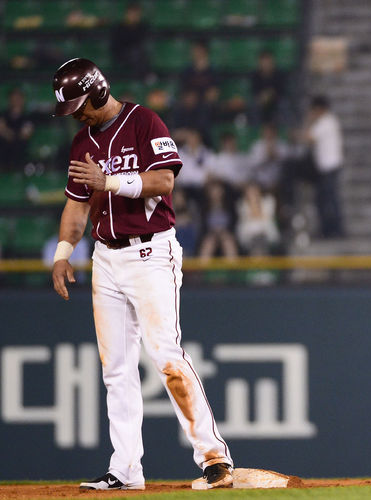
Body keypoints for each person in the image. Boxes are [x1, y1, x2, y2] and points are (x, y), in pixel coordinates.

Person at [50, 58, 234, 491]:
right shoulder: (81, 142)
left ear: (97, 90)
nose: (76, 114)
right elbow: (76, 205)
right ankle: (126, 469)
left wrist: (110, 181)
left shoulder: (143, 121)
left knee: (167, 355)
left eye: (79, 105)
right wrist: (63, 253)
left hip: (150, 252)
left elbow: (164, 181)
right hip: (106, 257)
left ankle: (214, 458)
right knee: (115, 367)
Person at [304, 95, 344, 238]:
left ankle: (335, 230)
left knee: (329, 201)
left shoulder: (326, 122)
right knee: (325, 200)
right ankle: (329, 229)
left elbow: (309, 137)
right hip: (325, 168)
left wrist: (309, 120)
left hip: (329, 168)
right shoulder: (329, 121)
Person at [0, 88, 34, 170]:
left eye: (18, 98)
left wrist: (7, 131)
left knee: (19, 147)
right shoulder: (3, 115)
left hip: (20, 151)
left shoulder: (28, 117)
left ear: (23, 100)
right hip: (4, 150)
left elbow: (25, 135)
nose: (16, 101)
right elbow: (2, 131)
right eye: (14, 98)